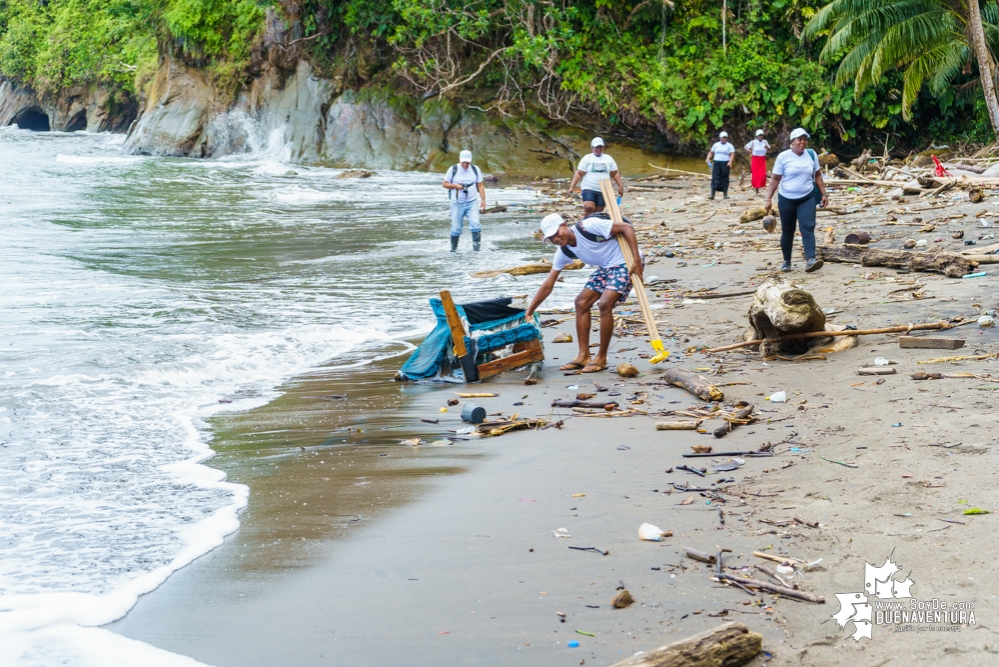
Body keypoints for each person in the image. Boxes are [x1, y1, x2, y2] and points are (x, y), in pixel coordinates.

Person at [524, 213, 642, 374]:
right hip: (606, 268)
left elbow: (627, 228)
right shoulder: (564, 251)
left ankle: (601, 357)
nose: (555, 239)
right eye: (551, 238)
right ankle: (583, 356)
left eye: (556, 233)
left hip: (625, 262)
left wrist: (636, 260)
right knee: (581, 302)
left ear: (564, 225)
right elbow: (548, 285)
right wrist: (530, 310)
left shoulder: (589, 226)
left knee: (605, 303)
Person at [764, 128, 828, 273]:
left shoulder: (811, 155)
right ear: (792, 142)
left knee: (808, 227)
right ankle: (787, 261)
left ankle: (810, 260)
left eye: (805, 139)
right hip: (787, 199)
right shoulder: (783, 157)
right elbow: (775, 179)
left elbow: (818, 176)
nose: (803, 142)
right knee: (788, 231)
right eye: (799, 139)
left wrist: (824, 194)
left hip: (807, 197)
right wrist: (768, 198)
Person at [568, 138, 625, 216]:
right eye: (596, 147)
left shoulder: (608, 159)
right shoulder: (587, 158)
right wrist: (572, 186)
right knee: (589, 207)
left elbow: (614, 173)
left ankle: (594, 226)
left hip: (604, 189)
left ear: (603, 147)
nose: (598, 149)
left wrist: (620, 186)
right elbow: (579, 173)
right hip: (589, 187)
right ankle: (585, 226)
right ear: (592, 148)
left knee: (598, 211)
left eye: (600, 147)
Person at [442, 149, 486, 252]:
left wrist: (483, 200)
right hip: (457, 203)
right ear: (459, 160)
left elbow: (480, 185)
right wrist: (455, 186)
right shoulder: (453, 169)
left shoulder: (475, 169)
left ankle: (476, 250)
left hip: (472, 202)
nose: (465, 165)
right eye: (463, 162)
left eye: (467, 162)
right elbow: (444, 184)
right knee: (456, 229)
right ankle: (453, 250)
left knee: (476, 225)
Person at [706, 131, 735, 199]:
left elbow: (732, 154)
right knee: (715, 177)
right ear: (720, 138)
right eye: (722, 138)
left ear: (726, 138)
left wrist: (730, 162)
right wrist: (708, 158)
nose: (723, 139)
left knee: (724, 178)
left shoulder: (729, 146)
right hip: (717, 162)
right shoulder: (716, 145)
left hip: (725, 163)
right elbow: (711, 152)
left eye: (724, 138)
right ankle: (712, 195)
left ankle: (725, 195)